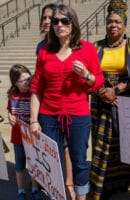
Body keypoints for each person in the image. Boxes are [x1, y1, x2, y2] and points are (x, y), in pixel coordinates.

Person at [30, 4, 104, 200]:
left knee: (79, 160)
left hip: (78, 115)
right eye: (55, 21)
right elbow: (37, 89)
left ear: (73, 23)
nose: (59, 25)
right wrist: (34, 120)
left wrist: (86, 74)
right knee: (53, 161)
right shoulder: (45, 52)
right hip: (48, 116)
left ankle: (81, 197)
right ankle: (58, 195)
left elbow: (98, 82)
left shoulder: (87, 49)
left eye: (64, 20)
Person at [89, 0, 130, 199]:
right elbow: (88, 73)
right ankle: (101, 184)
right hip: (100, 99)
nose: (113, 25)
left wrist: (117, 90)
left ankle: (122, 182)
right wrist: (103, 92)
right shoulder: (95, 47)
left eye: (117, 21)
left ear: (124, 24)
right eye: (109, 21)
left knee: (123, 142)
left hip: (126, 97)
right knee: (102, 143)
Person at [35, 4, 75, 199]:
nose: (47, 21)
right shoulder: (41, 47)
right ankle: (53, 182)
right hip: (47, 105)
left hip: (66, 107)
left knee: (67, 146)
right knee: (52, 147)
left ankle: (68, 183)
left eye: (51, 18)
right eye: (45, 18)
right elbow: (39, 80)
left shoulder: (67, 45)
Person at [7, 64, 41, 200]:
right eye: (23, 80)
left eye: (29, 78)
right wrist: (10, 117)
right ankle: (21, 190)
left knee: (33, 165)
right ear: (15, 83)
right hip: (18, 137)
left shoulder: (34, 93)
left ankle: (34, 188)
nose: (28, 82)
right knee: (19, 166)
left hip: (32, 137)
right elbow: (10, 110)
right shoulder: (12, 95)